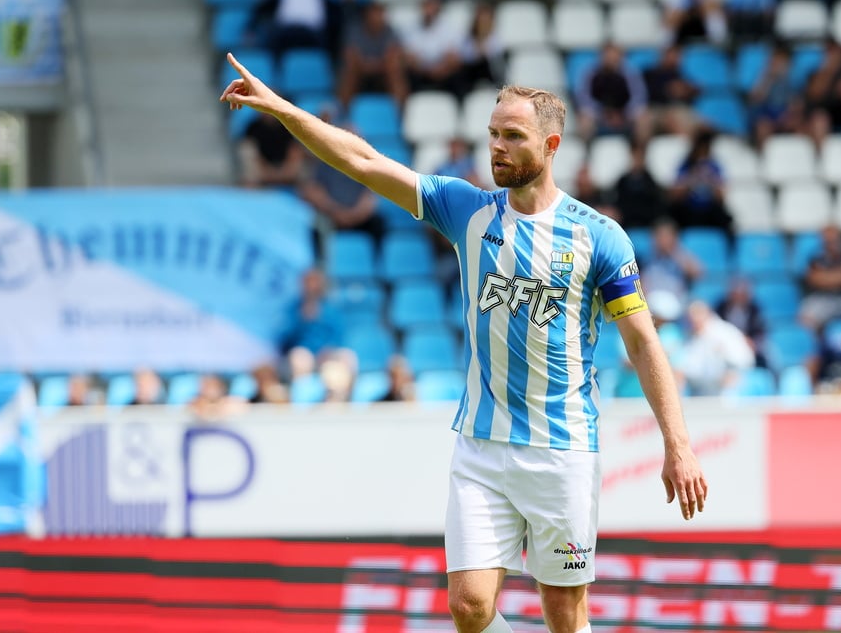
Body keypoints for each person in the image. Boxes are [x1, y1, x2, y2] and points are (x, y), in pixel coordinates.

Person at [221, 53, 707, 633]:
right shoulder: (468, 209)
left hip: (563, 449)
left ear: (551, 146)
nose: (496, 147)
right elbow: (363, 160)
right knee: (470, 608)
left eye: (513, 136)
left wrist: (677, 445)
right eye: (492, 134)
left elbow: (643, 344)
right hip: (480, 445)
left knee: (564, 616)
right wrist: (281, 109)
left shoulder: (598, 237)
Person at [336, 1, 408, 110]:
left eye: (381, 12)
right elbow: (351, 56)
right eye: (375, 11)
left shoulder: (389, 31)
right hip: (360, 73)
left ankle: (399, 113)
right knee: (350, 69)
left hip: (382, 74)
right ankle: (344, 112)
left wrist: (372, 64)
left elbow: (392, 55)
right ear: (366, 14)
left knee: (394, 68)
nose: (379, 16)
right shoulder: (354, 30)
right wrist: (369, 64)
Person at [668, 128, 734, 238]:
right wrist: (691, 178)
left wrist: (710, 181)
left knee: (726, 219)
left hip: (709, 210)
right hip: (689, 209)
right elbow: (674, 195)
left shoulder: (714, 166)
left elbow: (722, 197)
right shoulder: (686, 165)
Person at [238, 112, 305, 189]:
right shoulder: (253, 127)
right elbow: (253, 154)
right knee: (246, 149)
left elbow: (294, 150)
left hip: (285, 169)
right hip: (262, 169)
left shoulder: (288, 126)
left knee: (301, 149)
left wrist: (286, 171)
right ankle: (250, 192)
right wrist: (268, 172)